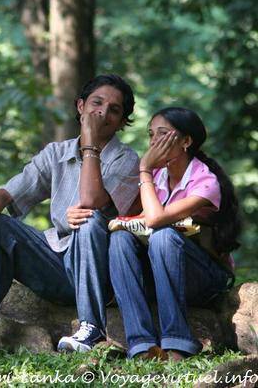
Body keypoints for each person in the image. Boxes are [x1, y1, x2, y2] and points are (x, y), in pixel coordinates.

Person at [0, 74, 140, 358]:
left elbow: (91, 201)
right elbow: (4, 195)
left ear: (123, 122)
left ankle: (92, 328)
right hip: (57, 267)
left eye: (114, 109)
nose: (103, 113)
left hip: (99, 272)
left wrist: (88, 142)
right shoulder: (57, 153)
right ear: (80, 106)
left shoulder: (127, 159)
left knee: (89, 220)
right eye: (97, 103)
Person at [104, 107, 240, 361]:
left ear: (186, 141)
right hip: (165, 270)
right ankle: (141, 345)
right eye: (151, 134)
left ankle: (177, 343)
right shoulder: (157, 177)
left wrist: (144, 168)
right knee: (120, 238)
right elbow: (142, 220)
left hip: (205, 277)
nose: (154, 141)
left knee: (163, 235)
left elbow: (155, 219)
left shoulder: (204, 181)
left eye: (163, 134)